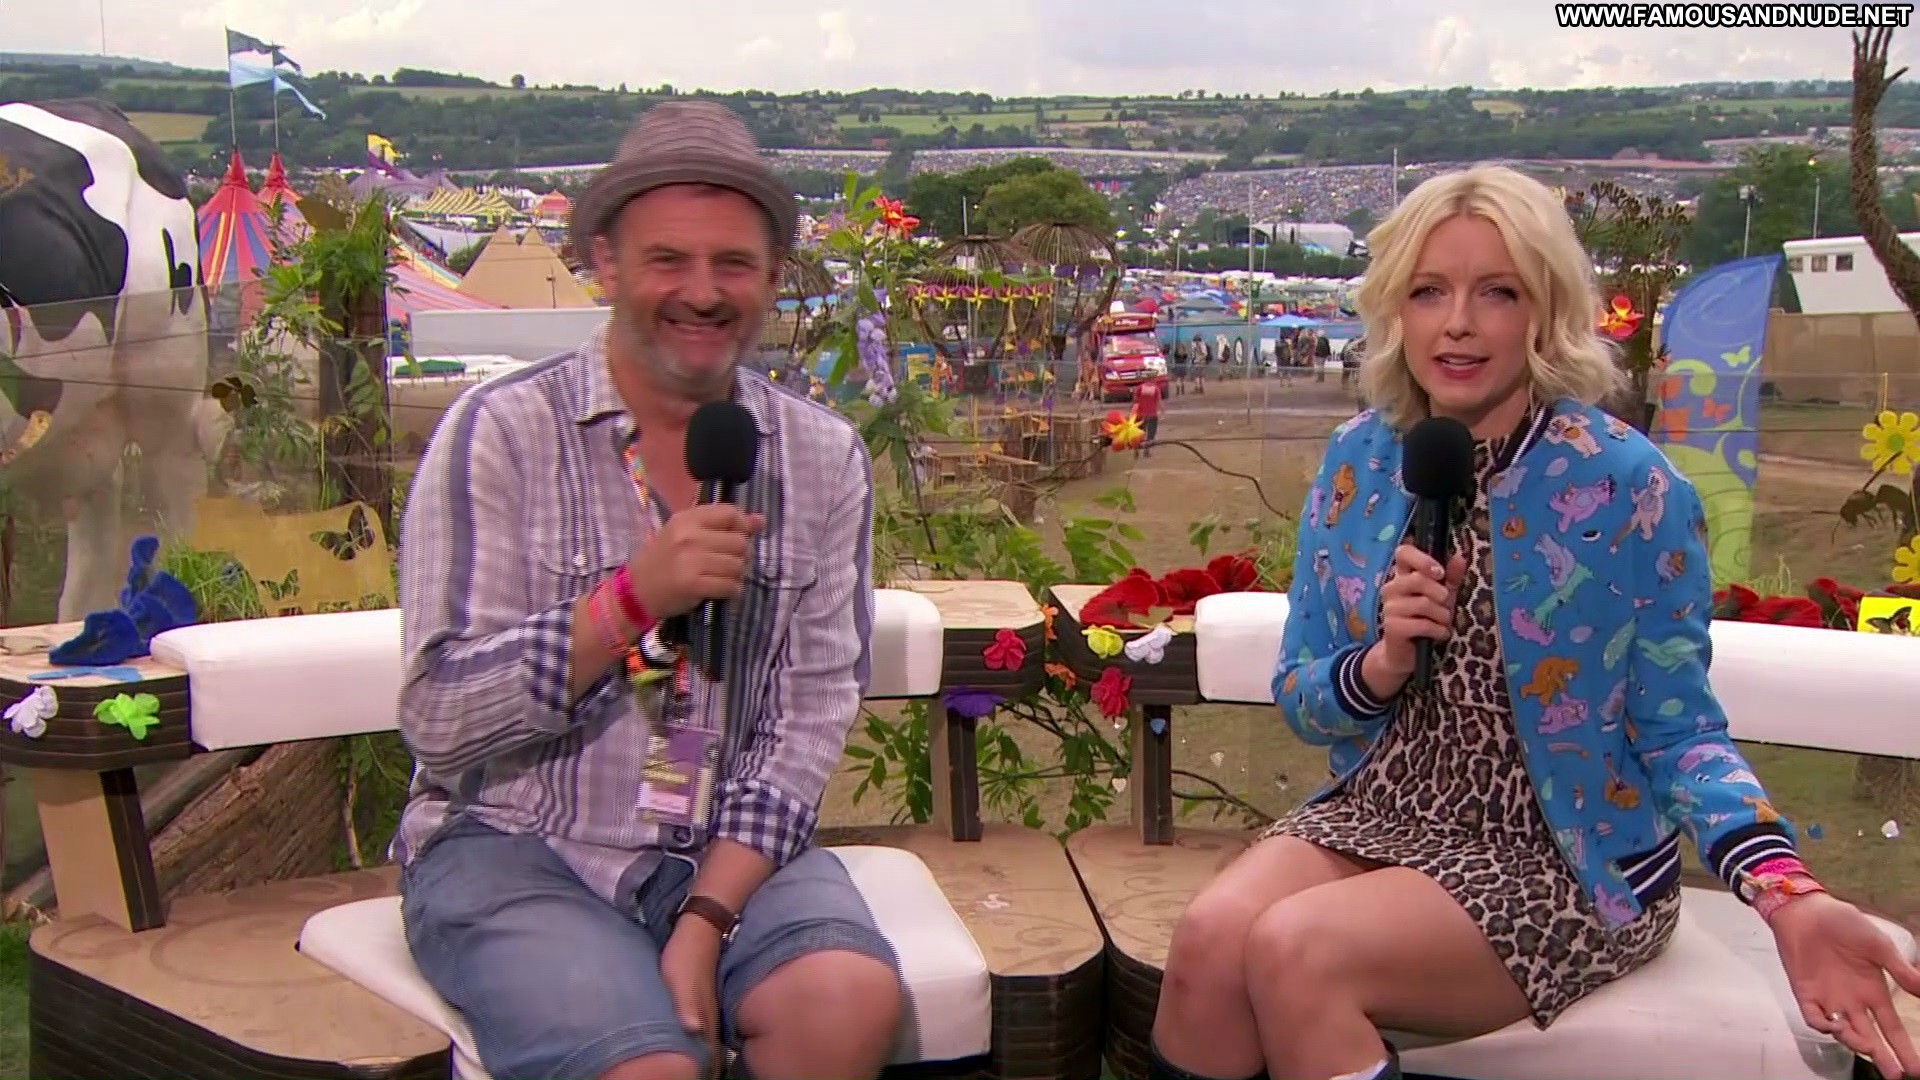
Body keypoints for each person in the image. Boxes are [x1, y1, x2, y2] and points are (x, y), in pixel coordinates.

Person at [1149, 165, 1920, 1080]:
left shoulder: (1631, 485)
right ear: (1395, 309)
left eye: (1497, 292)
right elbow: (1302, 697)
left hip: (1566, 857)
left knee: (1296, 950)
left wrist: (1788, 893)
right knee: (1209, 941)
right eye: (1428, 291)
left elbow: (1679, 731)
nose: (1458, 323)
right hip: (1381, 814)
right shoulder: (1360, 460)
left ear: (1545, 311)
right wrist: (1382, 663)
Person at [394, 101, 904, 1080]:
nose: (702, 293)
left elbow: (808, 719)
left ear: (772, 277)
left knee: (844, 1002)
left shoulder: (822, 457)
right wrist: (628, 600)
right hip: (516, 847)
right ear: (607, 262)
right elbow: (439, 718)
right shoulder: (500, 432)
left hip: (722, 851)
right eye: (669, 260)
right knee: (651, 1069)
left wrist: (706, 919)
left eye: (734, 265)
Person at [1132, 375, 1164, 459]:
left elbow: (1135, 400)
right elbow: (1159, 401)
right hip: (1152, 414)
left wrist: (1133, 411)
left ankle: (1136, 450)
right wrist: (1162, 411)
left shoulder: (1140, 388)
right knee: (1151, 434)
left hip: (1140, 414)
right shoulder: (1155, 388)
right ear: (1153, 379)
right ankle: (1147, 450)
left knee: (1138, 433)